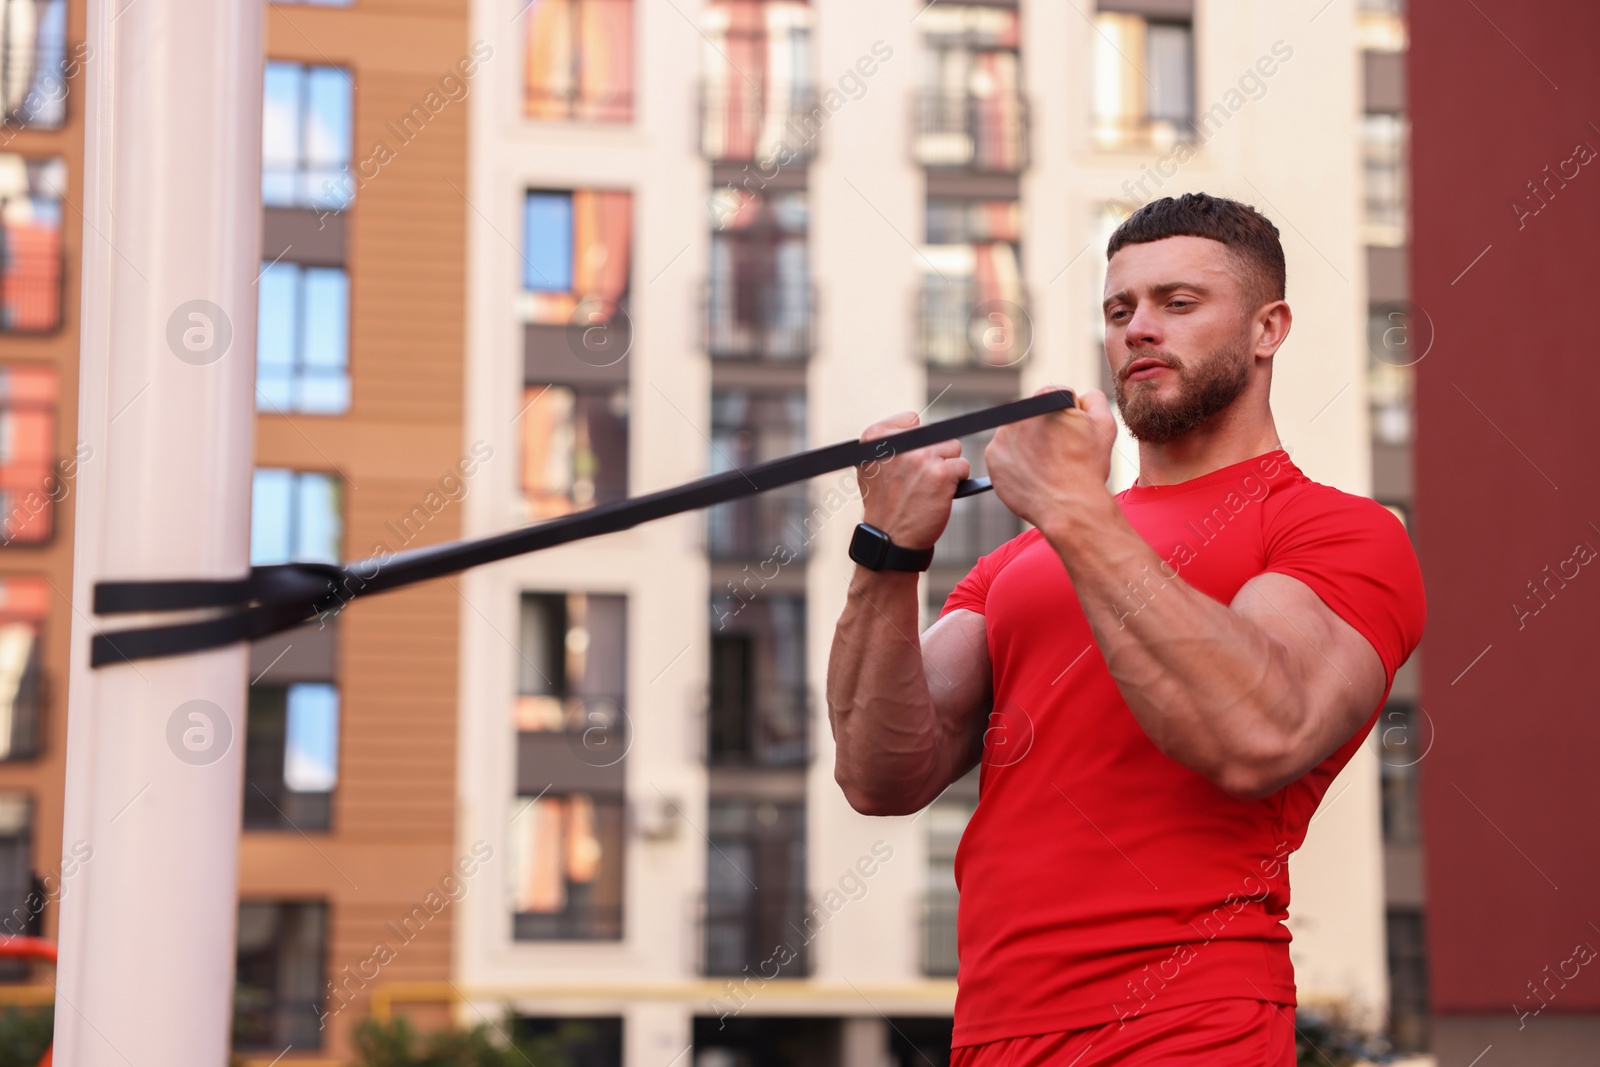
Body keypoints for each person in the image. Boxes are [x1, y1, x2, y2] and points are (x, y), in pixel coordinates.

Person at [827, 192, 1426, 1065]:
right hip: (995, 1032)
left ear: (1269, 329)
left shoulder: (1336, 531)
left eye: (1178, 304)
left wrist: (1076, 513)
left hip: (1187, 1026)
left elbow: (1259, 731)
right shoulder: (1025, 559)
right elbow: (881, 771)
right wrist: (887, 550)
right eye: (1120, 309)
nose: (1139, 329)